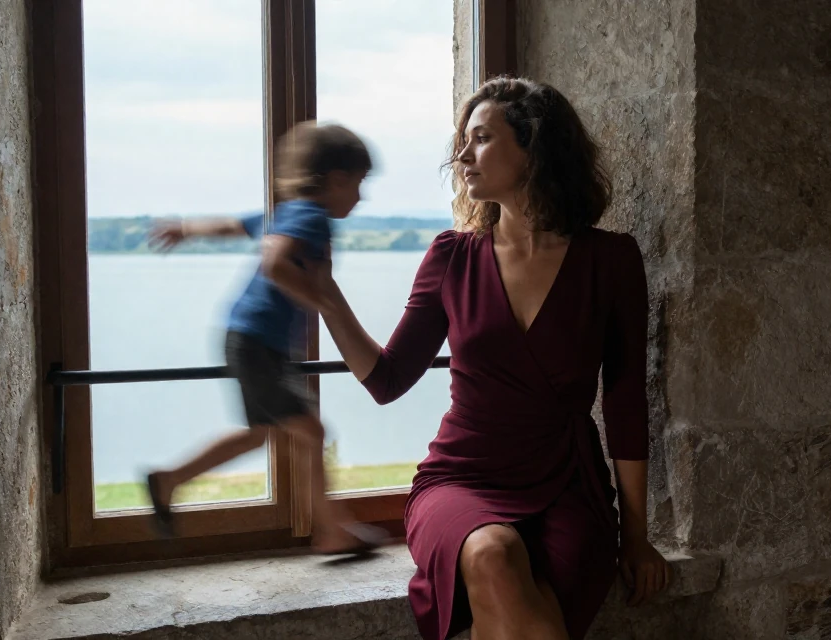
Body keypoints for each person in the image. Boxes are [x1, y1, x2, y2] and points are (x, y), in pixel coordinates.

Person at [313, 77, 672, 639]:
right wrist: (328, 298)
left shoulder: (612, 260)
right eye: (463, 140)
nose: (462, 155)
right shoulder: (450, 258)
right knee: (492, 553)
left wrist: (638, 534)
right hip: (463, 477)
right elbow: (387, 380)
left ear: (534, 147)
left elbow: (626, 405)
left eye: (480, 138)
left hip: (569, 484)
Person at [143, 121, 386, 556]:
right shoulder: (311, 217)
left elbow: (233, 226)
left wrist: (185, 229)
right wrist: (325, 304)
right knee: (310, 431)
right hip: (259, 343)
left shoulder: (290, 210)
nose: (361, 196)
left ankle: (168, 480)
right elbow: (275, 264)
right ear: (336, 179)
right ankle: (331, 531)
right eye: (359, 183)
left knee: (262, 433)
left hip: (249, 338)